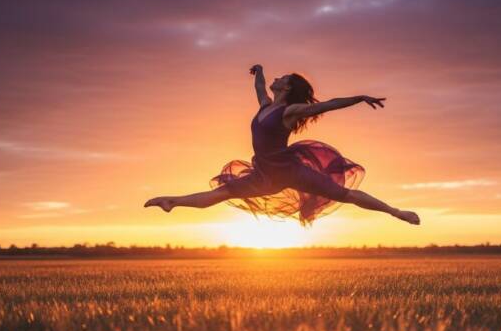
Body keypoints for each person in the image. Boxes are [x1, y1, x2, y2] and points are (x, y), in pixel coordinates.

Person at [144, 65, 420, 226]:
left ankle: (397, 213)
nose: (276, 79)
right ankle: (172, 201)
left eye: (281, 79)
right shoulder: (266, 105)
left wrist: (359, 97)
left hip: (289, 171)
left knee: (344, 195)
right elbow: (260, 88)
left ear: (286, 88)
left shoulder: (290, 111)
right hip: (264, 174)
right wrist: (259, 72)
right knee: (221, 193)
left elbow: (328, 104)